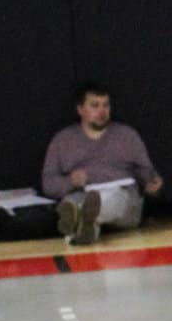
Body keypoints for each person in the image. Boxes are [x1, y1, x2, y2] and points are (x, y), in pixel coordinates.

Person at [41, 83, 164, 246]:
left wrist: (153, 184)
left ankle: (80, 219)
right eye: (95, 106)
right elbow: (48, 184)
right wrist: (70, 182)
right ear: (80, 110)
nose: (102, 111)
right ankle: (86, 228)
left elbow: (147, 174)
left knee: (113, 199)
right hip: (83, 192)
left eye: (106, 105)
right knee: (71, 201)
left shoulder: (127, 135)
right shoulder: (62, 140)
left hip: (122, 197)